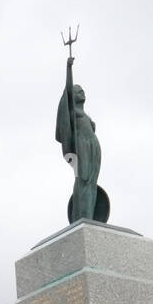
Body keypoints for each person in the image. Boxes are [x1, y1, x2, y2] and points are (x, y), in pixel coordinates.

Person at [56, 55, 103, 222]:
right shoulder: (71, 113)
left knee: (91, 183)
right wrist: (68, 68)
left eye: (81, 89)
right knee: (82, 180)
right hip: (82, 146)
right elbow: (67, 90)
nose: (80, 91)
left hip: (93, 148)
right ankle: (80, 216)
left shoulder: (85, 115)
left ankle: (89, 216)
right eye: (77, 91)